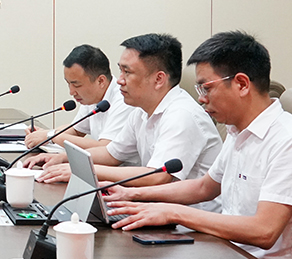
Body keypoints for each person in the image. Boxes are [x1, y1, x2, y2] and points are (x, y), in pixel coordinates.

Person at [104, 31, 292, 259]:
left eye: (207, 88)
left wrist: (173, 212)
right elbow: (203, 187)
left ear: (242, 84)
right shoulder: (238, 131)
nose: (201, 98)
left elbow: (264, 231)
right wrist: (131, 194)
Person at [37, 33, 221, 195]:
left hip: (191, 220)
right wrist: (65, 159)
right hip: (157, 208)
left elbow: (158, 176)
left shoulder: (182, 115)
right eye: (120, 70)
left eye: (127, 72)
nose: (119, 80)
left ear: (159, 79)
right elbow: (111, 154)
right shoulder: (141, 111)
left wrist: (83, 169)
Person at [19, 44, 137, 168]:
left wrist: (52, 136)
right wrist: (45, 135)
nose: (71, 92)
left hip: (125, 173)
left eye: (76, 85)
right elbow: (76, 130)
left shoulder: (123, 100)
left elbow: (106, 149)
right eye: (68, 84)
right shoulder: (92, 97)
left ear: (100, 81)